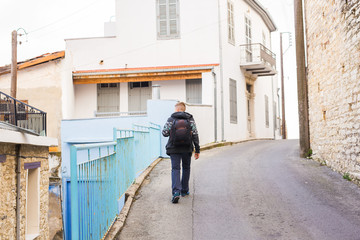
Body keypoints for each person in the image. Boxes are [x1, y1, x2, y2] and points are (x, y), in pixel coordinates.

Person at [162, 102, 200, 203]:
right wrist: (197, 149)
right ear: (184, 109)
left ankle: (176, 192)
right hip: (187, 148)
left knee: (175, 169)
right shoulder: (190, 119)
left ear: (177, 109)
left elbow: (164, 133)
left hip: (174, 148)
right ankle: (184, 190)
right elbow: (195, 134)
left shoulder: (171, 119)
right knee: (186, 168)